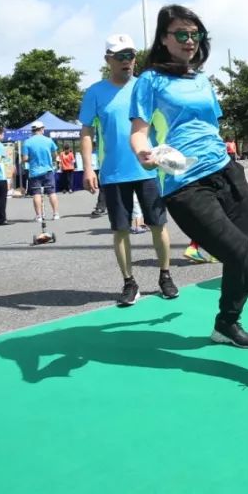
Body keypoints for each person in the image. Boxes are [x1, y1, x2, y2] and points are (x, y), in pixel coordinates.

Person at [128, 4, 248, 368]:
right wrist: (145, 153)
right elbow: (139, 132)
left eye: (195, 34)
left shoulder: (201, 79)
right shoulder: (150, 80)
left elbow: (209, 129)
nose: (190, 41)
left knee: (243, 251)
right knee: (238, 251)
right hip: (184, 183)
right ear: (163, 39)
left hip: (225, 170)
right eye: (181, 34)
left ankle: (226, 323)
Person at [80, 33, 179, 306]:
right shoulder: (95, 92)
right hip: (113, 172)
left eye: (131, 55)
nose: (128, 61)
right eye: (121, 56)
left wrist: (170, 158)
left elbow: (165, 124)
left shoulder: (146, 88)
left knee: (158, 225)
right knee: (120, 229)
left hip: (148, 170)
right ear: (108, 59)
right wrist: (88, 168)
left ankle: (165, 275)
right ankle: (129, 282)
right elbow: (86, 131)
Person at [22, 121, 60, 221]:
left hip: (34, 171)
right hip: (48, 170)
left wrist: (32, 159)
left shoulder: (27, 142)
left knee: (36, 193)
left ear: (32, 130)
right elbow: (55, 155)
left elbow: (25, 158)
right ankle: (55, 214)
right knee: (52, 192)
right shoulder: (49, 140)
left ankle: (39, 216)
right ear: (42, 129)